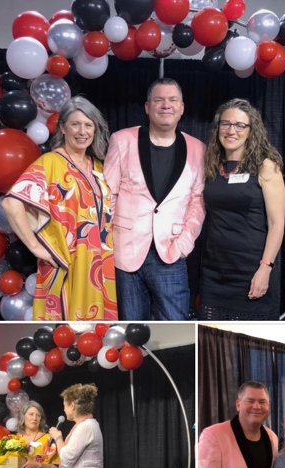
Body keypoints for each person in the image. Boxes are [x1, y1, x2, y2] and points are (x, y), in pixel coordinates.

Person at [2, 96, 117, 321]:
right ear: (62, 127)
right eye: (75, 124)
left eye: (88, 125)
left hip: (101, 267)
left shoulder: (99, 167)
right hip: (66, 263)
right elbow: (11, 203)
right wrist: (36, 248)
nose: (82, 131)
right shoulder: (50, 163)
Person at [104, 78, 205, 320]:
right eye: (159, 100)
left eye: (172, 100)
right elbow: (108, 195)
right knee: (131, 327)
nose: (166, 105)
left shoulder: (198, 148)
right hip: (125, 252)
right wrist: (108, 242)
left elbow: (197, 202)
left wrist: (184, 245)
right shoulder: (122, 140)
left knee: (175, 321)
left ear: (182, 108)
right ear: (148, 107)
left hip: (171, 252)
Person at [198, 99, 285, 321]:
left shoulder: (266, 167)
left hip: (252, 269)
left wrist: (265, 268)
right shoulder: (210, 165)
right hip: (214, 272)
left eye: (239, 125)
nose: (231, 130)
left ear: (251, 131)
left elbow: (277, 224)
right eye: (225, 124)